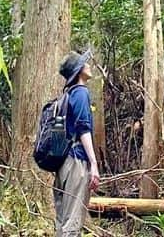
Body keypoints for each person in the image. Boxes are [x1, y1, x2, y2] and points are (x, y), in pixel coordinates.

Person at [53, 48, 100, 237]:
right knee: (72, 224)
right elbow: (83, 129)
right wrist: (94, 164)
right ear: (80, 70)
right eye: (85, 63)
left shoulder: (67, 95)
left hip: (63, 163)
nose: (89, 65)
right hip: (76, 163)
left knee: (63, 221)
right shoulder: (80, 93)